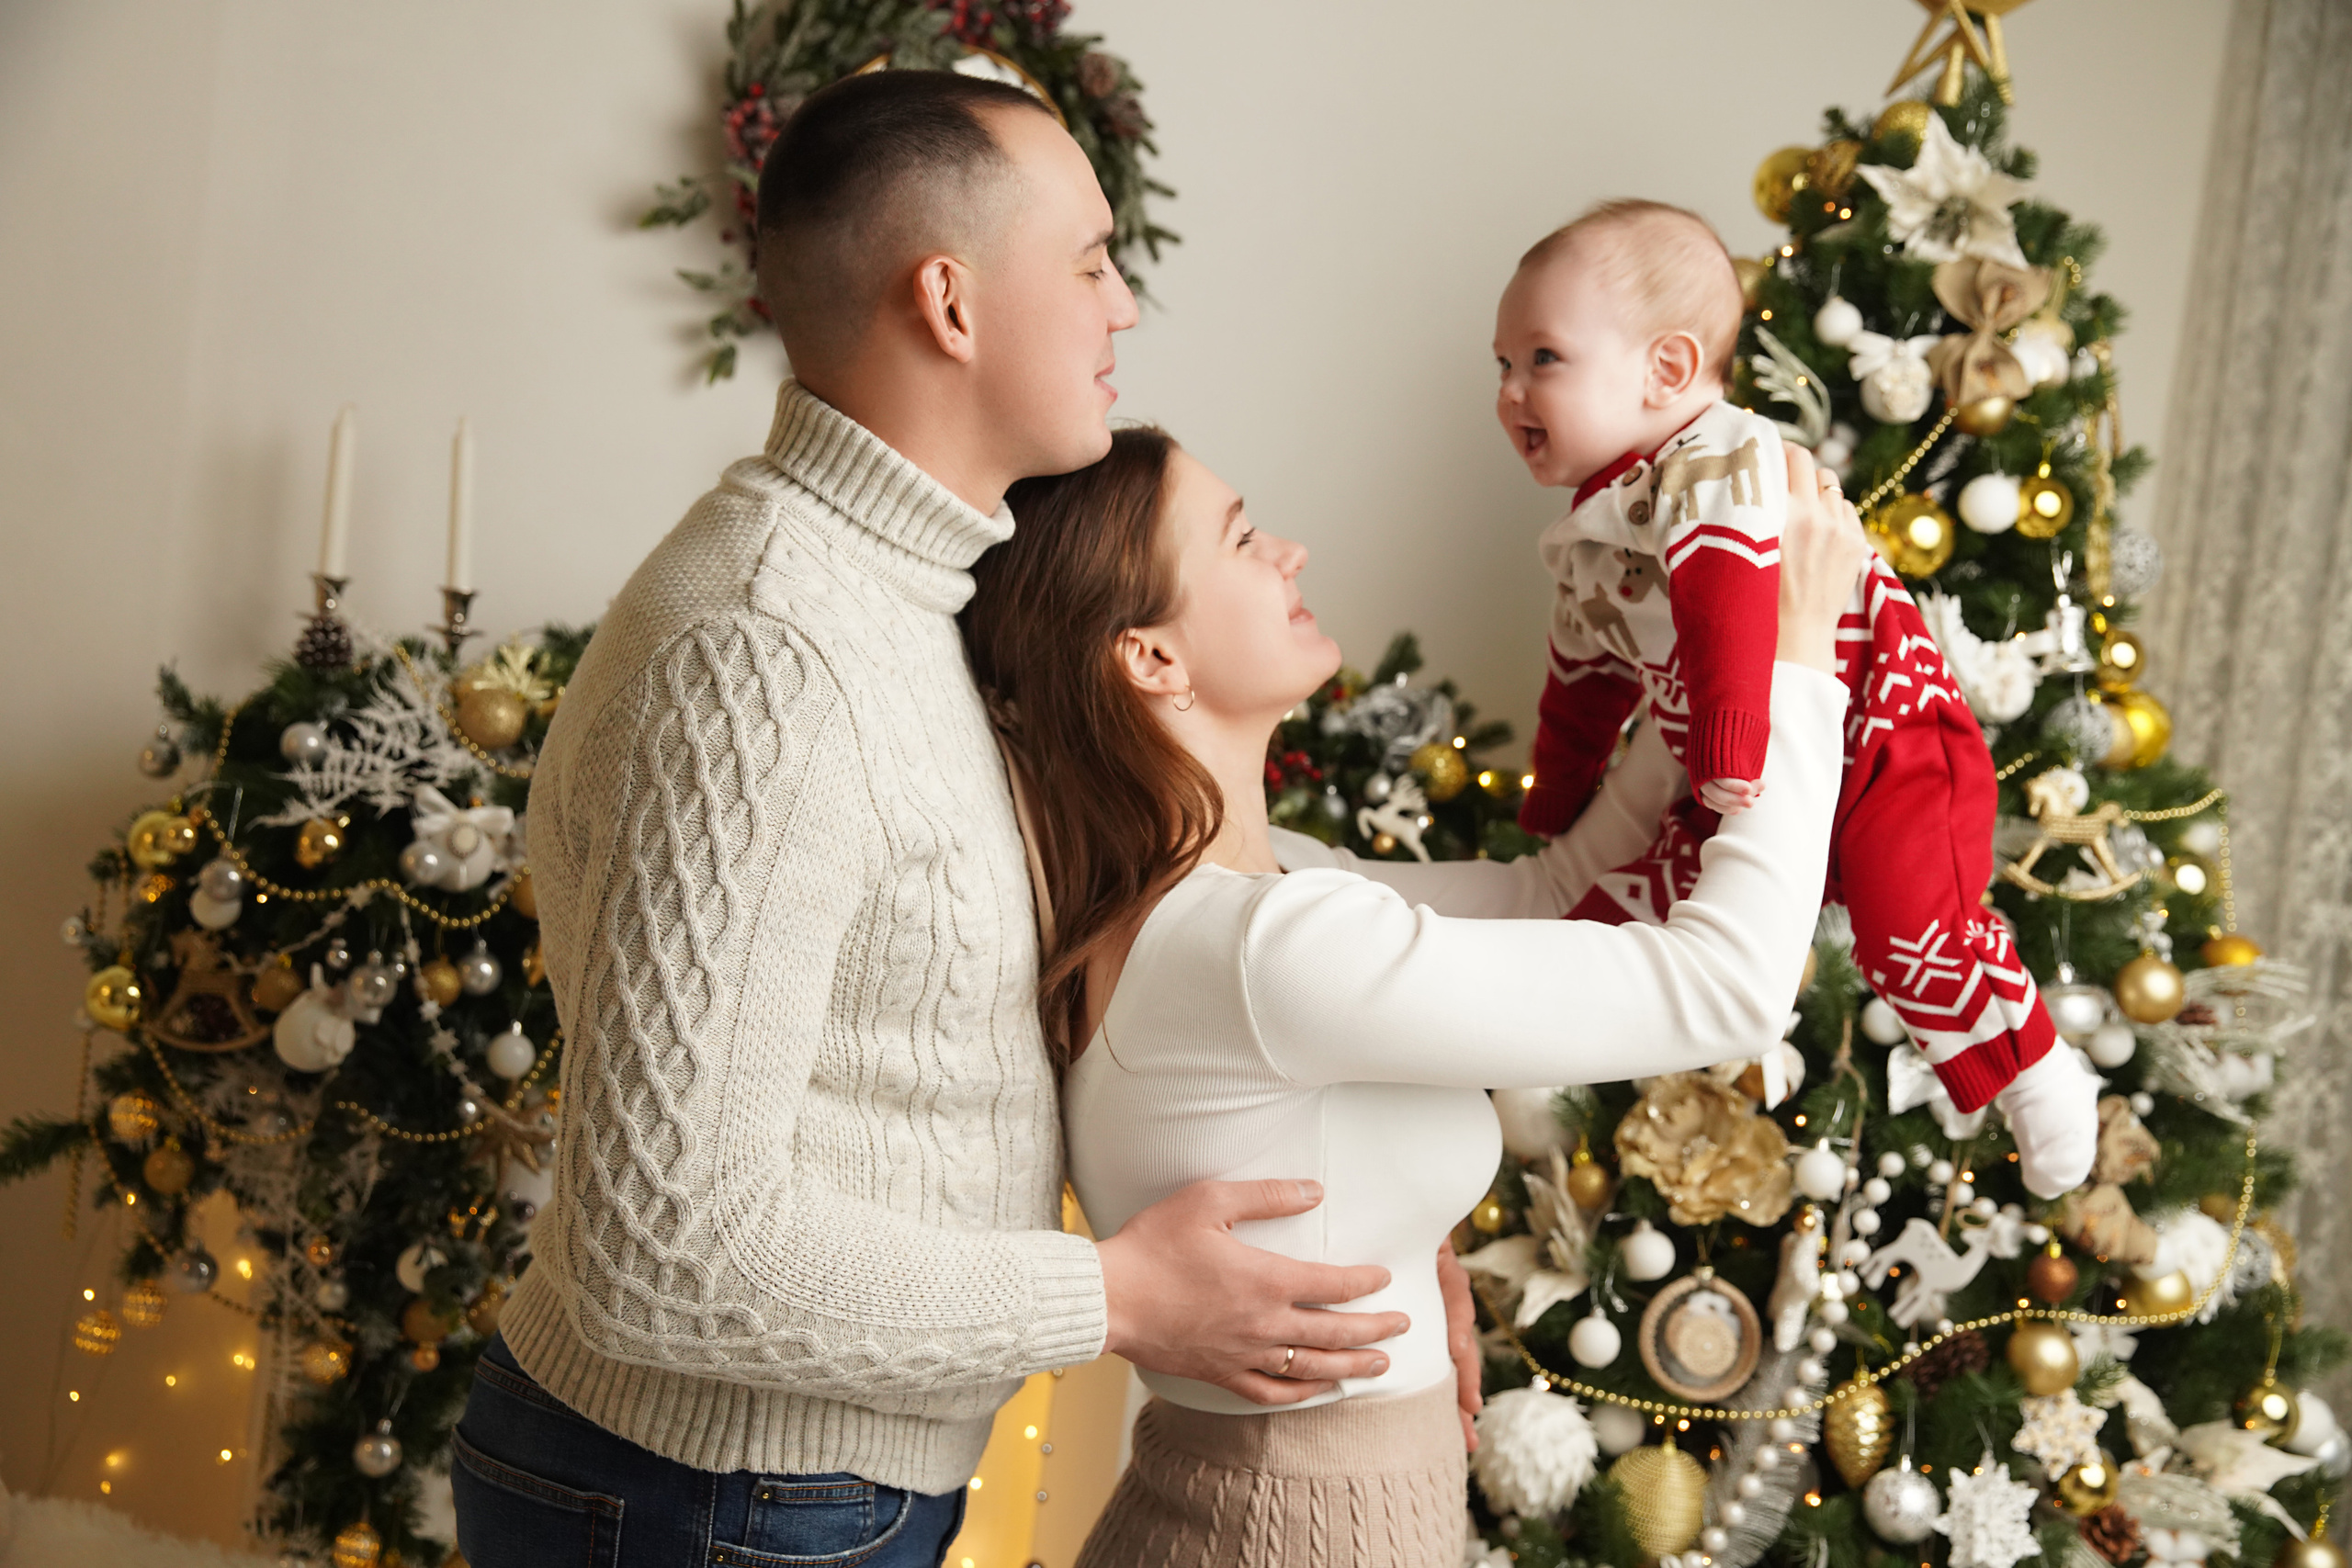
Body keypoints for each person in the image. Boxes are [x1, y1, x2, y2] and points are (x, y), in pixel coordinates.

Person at [451, 70, 1431, 1568]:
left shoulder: (894, 601)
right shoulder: (767, 657)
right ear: (952, 305)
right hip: (709, 1499)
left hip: (765, 1493)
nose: (1125, 308)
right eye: (1094, 262)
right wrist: (1110, 1298)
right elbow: (660, 1248)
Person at [958, 423, 1873, 1565]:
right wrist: (1795, 661)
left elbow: (1557, 887)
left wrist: (1700, 671)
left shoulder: (1271, 881)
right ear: (1149, 657)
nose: (1288, 551)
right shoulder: (1264, 944)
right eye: (1241, 538)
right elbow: (1730, 989)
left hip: (1294, 1511)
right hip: (1284, 1533)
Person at [1495, 198, 2096, 1198]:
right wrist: (1556, 798)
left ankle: (2038, 1073)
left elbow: (1729, 591)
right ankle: (1535, 1056)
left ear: (1669, 371)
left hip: (1883, 734)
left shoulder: (1719, 459)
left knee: (1912, 927)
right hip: (1738, 773)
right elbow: (1584, 679)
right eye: (1502, 365)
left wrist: (1732, 748)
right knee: (1624, 924)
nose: (1512, 390)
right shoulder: (1591, 535)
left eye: (1543, 359)